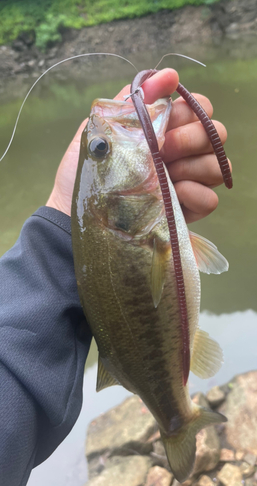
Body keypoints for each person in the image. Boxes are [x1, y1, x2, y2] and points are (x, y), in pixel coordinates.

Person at [0, 68, 229, 486]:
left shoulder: (129, 220)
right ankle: (177, 420)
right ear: (110, 208)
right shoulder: (130, 222)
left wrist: (57, 223)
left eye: (98, 148)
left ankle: (175, 418)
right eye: (102, 149)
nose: (101, 137)